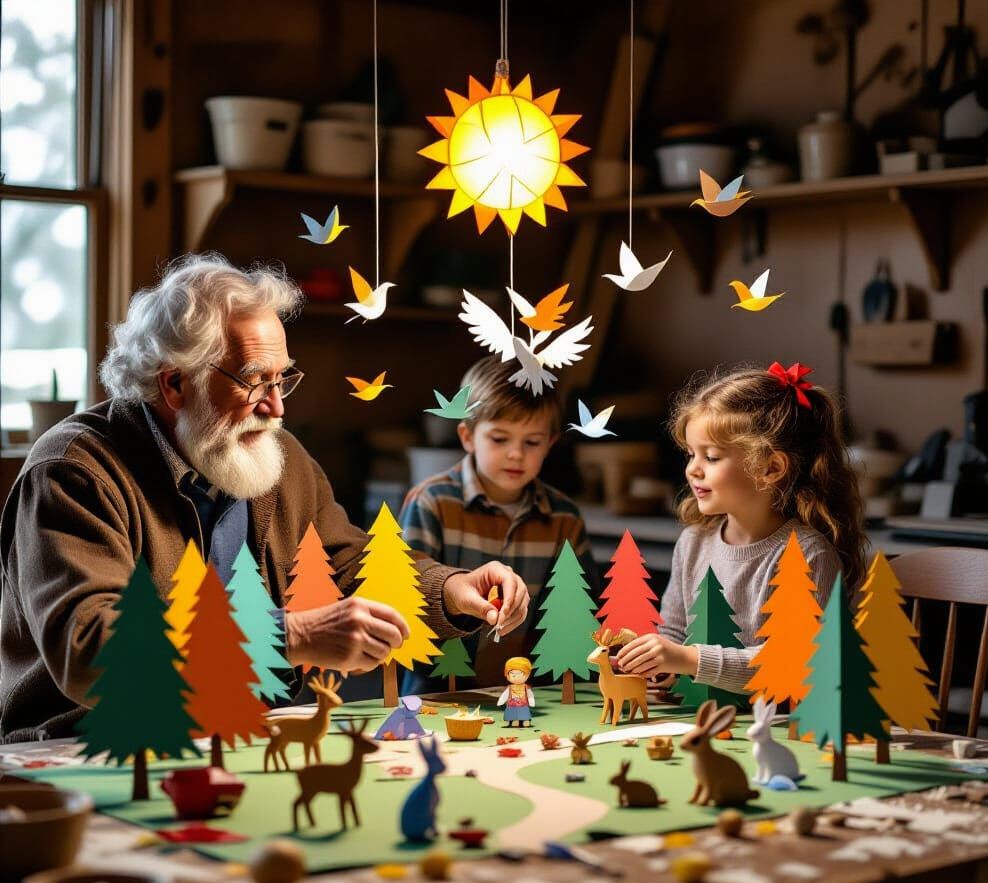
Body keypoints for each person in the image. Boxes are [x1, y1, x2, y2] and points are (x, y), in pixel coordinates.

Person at [0, 254, 530, 742]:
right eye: (255, 382)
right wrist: (288, 635)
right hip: (86, 748)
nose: (276, 408)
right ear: (175, 384)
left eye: (283, 379)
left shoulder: (275, 456)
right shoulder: (74, 472)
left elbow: (347, 561)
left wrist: (452, 590)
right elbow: (93, 650)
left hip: (238, 735)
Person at [617, 362, 864, 696]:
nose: (693, 470)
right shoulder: (693, 542)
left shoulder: (807, 553)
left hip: (782, 731)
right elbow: (674, 633)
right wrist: (657, 668)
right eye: (691, 454)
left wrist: (687, 659)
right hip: (708, 722)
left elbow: (793, 663)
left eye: (712, 457)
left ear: (771, 468)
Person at [399, 355, 596, 691]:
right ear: (467, 436)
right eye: (500, 439)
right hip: (436, 695)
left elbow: (580, 615)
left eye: (531, 442)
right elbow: (408, 595)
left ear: (549, 444)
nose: (516, 454)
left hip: (524, 696)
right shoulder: (432, 502)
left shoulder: (564, 518)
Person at [497, 657, 535, 727]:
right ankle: (514, 721)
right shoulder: (510, 687)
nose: (515, 676)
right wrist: (501, 701)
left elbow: (530, 695)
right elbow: (504, 695)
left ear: (527, 674)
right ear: (507, 674)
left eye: (519, 673)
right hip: (511, 705)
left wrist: (531, 701)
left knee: (524, 714)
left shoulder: (526, 687)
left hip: (523, 705)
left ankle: (525, 720)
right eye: (512, 673)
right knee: (512, 716)